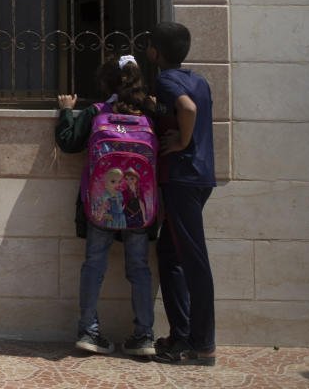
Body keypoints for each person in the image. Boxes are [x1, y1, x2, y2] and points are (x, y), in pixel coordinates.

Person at [55, 55, 158, 358]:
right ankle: (144, 335)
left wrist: (65, 112)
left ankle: (89, 331)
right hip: (139, 208)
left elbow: (69, 142)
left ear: (105, 83)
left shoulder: (96, 112)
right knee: (139, 268)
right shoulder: (150, 113)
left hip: (101, 205)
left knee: (94, 265)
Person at [146, 21, 217, 366]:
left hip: (181, 179)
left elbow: (187, 109)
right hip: (200, 178)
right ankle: (181, 336)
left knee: (193, 261)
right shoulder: (199, 80)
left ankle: (201, 344)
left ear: (154, 52)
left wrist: (182, 141)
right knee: (171, 254)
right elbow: (181, 108)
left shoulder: (165, 79)